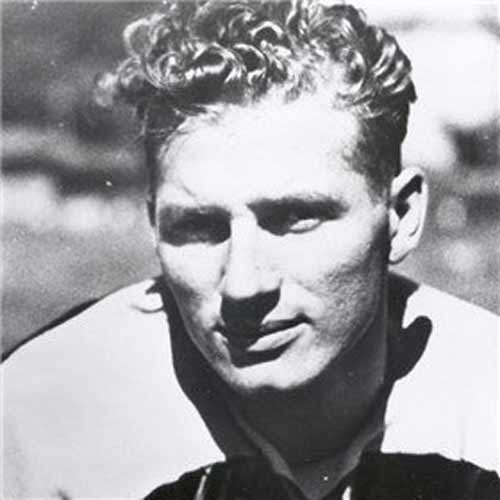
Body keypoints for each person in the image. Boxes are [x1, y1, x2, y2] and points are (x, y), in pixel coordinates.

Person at [3, 1, 498, 498]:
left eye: (295, 219)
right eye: (199, 226)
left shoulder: (488, 411)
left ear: (402, 216)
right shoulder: (36, 427)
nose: (243, 285)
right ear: (154, 224)